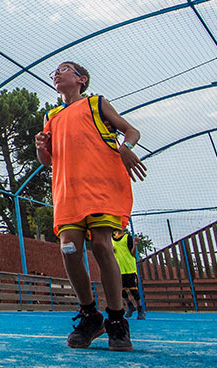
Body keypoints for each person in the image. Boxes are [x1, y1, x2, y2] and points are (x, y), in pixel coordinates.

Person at [34, 61, 147, 352]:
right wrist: (40, 147)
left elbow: (131, 131)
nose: (57, 73)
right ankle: (90, 314)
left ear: (82, 79)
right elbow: (47, 161)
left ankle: (116, 319)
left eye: (65, 68)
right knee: (68, 249)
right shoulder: (52, 115)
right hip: (67, 189)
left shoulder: (96, 103)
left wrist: (126, 148)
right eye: (55, 72)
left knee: (101, 246)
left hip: (100, 184)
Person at [111, 230, 145, 320]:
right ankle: (130, 305)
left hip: (129, 268)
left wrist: (135, 245)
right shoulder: (111, 239)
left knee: (133, 290)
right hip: (119, 269)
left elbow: (132, 254)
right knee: (121, 290)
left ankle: (140, 309)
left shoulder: (127, 237)